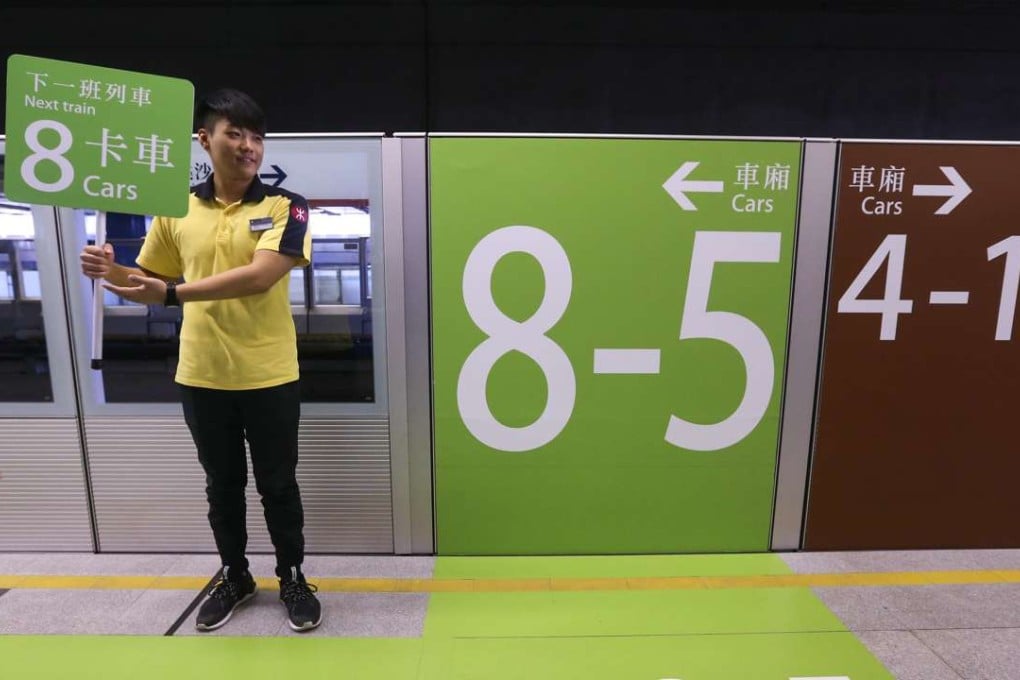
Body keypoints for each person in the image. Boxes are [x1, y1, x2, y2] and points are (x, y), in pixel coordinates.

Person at [80, 89, 321, 633]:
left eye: (256, 137)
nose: (248, 146)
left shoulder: (286, 205)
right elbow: (146, 283)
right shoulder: (176, 208)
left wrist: (171, 293)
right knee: (222, 485)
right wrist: (107, 268)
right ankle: (235, 575)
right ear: (204, 140)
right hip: (201, 375)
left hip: (269, 374)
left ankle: (292, 576)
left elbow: (260, 277)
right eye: (234, 133)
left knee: (279, 485)